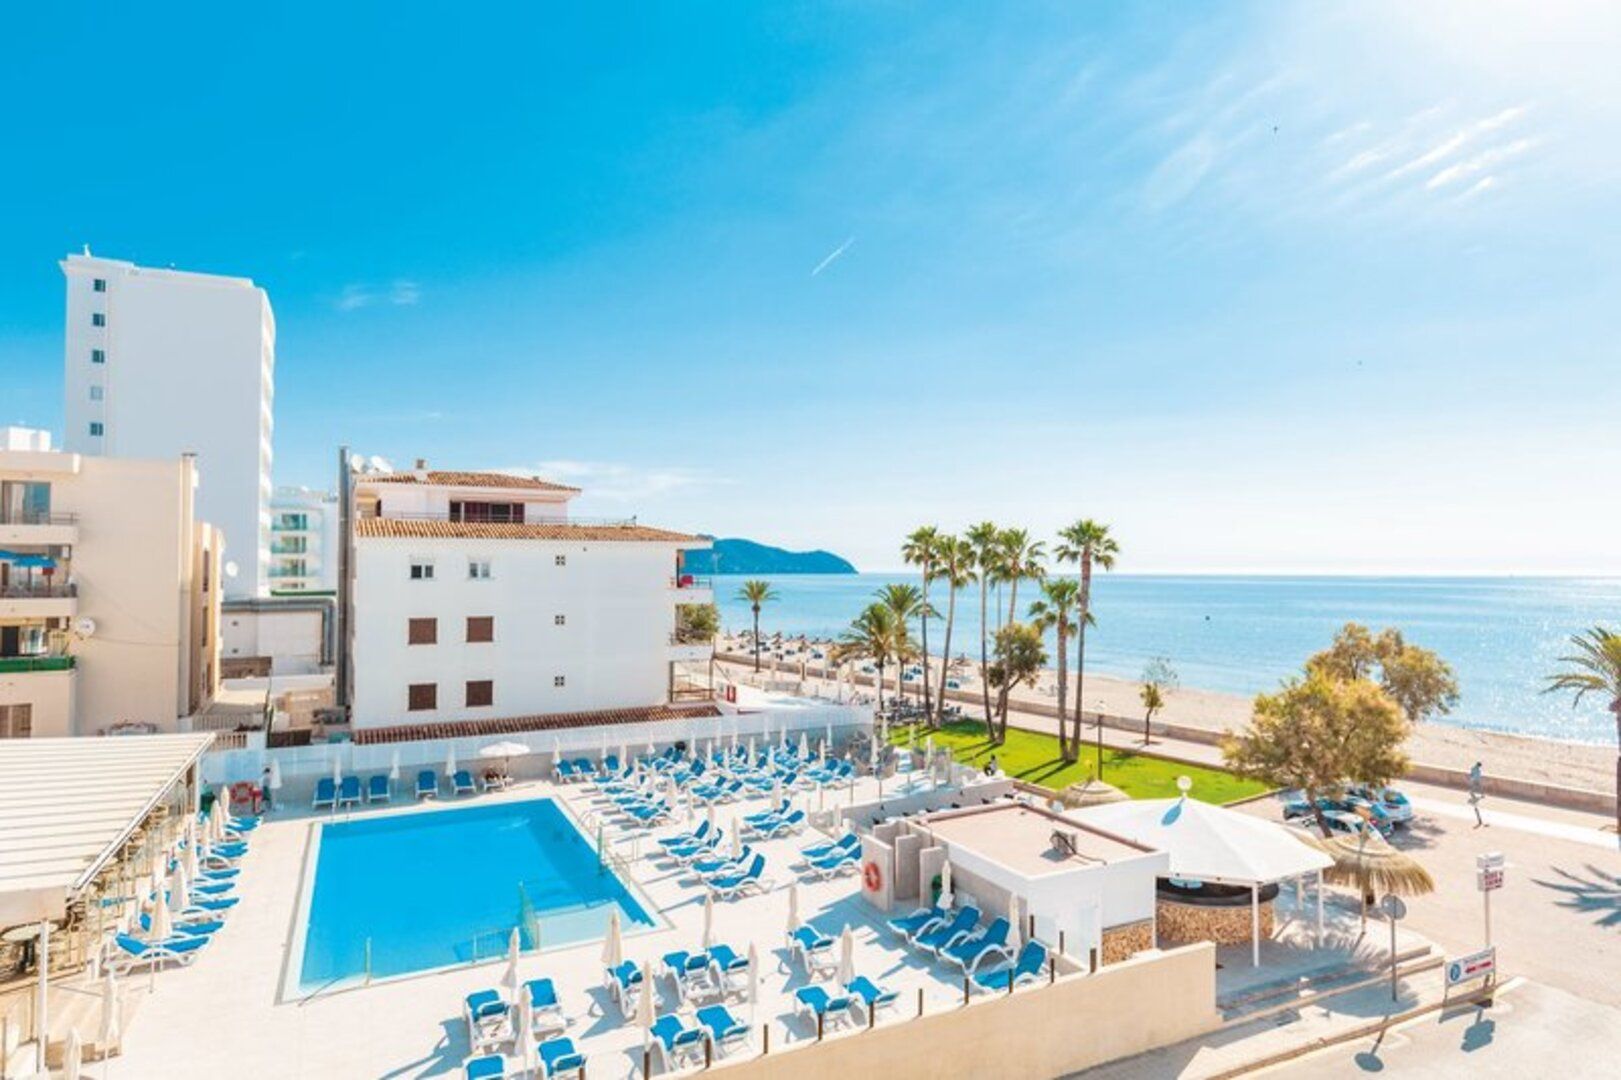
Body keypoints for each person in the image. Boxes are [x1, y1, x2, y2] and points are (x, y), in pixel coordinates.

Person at [1467, 761, 1485, 827]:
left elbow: (1471, 774)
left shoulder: (1473, 768)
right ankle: (1481, 794)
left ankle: (1472, 792)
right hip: (1476, 779)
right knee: (1479, 787)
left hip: (1474, 779)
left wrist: (1471, 778)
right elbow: (1478, 775)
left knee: (1476, 787)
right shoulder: (1477, 769)